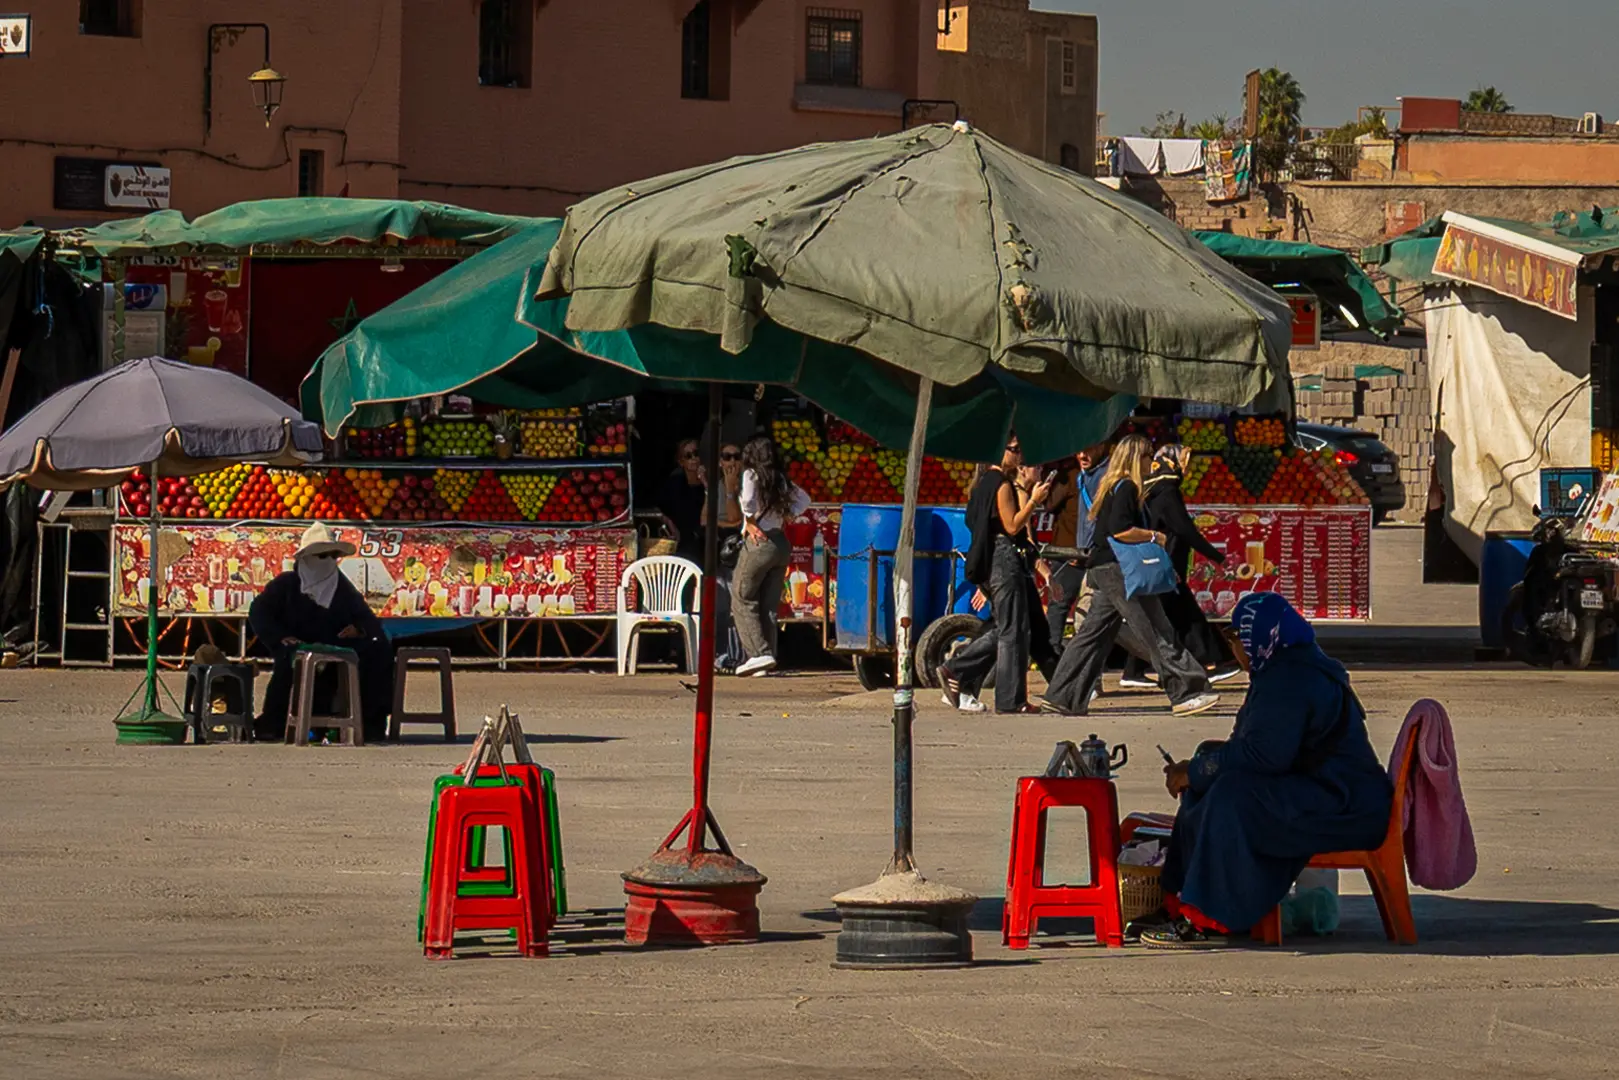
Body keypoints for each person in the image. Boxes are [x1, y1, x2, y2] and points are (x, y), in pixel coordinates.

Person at [1139, 592, 1394, 946]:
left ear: (1261, 637)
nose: (1233, 648)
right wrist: (1200, 767)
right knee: (1211, 769)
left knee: (1230, 795)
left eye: (1235, 638)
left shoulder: (1291, 677)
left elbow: (1265, 756)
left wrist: (1197, 771)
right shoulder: (1281, 668)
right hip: (1321, 792)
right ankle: (1180, 899)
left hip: (1343, 804)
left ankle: (1207, 917)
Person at [1040, 434, 1218, 718]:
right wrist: (1154, 536)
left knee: (1091, 636)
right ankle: (1187, 691)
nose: (1155, 463)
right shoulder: (1124, 487)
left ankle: (1062, 695)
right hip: (1117, 569)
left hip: (1103, 568)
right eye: (1150, 457)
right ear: (1138, 458)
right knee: (1157, 629)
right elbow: (1119, 530)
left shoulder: (1113, 486)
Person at [936, 434, 1052, 714]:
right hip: (1002, 559)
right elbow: (1012, 526)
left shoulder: (979, 487)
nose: (1020, 456)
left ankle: (960, 672)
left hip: (988, 562)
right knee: (1013, 631)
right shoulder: (1000, 484)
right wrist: (1033, 501)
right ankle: (1007, 698)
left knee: (1004, 628)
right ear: (1001, 453)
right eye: (1015, 450)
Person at [250, 523, 394, 742]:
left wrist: (358, 629)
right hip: (296, 645)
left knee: (378, 649)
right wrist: (279, 636)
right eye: (321, 556)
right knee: (290, 663)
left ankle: (367, 721)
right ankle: (276, 723)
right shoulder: (286, 585)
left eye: (332, 556)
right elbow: (260, 613)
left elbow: (368, 619)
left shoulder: (342, 588)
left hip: (335, 645)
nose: (327, 562)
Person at [1120, 444, 1240, 688]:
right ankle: (1214, 660)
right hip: (1166, 562)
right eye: (1183, 460)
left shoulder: (1155, 489)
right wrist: (1216, 557)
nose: (1186, 466)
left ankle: (1134, 669)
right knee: (1184, 614)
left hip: (1159, 563)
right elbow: (1185, 530)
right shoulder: (1167, 492)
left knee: (1161, 615)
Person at [733, 433, 811, 677]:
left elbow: (747, 500)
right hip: (780, 541)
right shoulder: (780, 479)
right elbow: (805, 500)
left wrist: (750, 519)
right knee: (768, 603)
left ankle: (758, 653)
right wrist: (787, 516)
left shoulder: (751, 475)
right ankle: (767, 657)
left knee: (742, 596)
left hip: (759, 541)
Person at [703, 442, 747, 673]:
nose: (731, 462)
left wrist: (731, 491)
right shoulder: (716, 486)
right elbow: (704, 520)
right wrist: (725, 523)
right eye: (726, 457)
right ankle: (720, 655)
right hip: (719, 549)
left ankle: (735, 656)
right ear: (720, 461)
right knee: (720, 605)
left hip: (738, 549)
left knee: (735, 604)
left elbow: (737, 519)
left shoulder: (745, 486)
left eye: (735, 457)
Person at [657, 438, 707, 563]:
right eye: (688, 456)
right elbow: (659, 508)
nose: (694, 458)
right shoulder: (674, 483)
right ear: (681, 462)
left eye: (696, 453)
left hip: (705, 539)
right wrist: (670, 524)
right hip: (682, 540)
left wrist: (705, 483)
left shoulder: (708, 480)